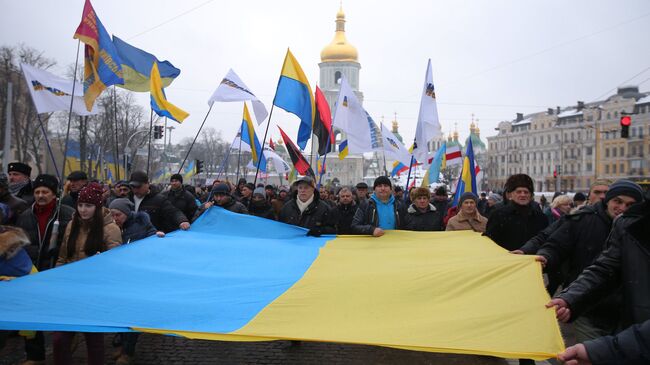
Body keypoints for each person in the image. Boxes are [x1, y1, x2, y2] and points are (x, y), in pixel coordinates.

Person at [548, 190, 650, 364]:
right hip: (616, 326)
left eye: (629, 204)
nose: (622, 208)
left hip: (628, 334)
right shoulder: (629, 223)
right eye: (617, 201)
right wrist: (569, 298)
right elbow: (604, 269)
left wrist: (601, 351)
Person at [53, 182, 121, 365]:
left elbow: (116, 265)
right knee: (59, 339)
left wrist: (103, 263)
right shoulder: (71, 225)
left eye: (88, 206)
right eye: (81, 205)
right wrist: (58, 281)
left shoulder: (110, 229)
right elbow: (62, 257)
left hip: (93, 293)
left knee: (94, 341)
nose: (83, 210)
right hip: (69, 290)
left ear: (97, 207)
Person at [108, 198, 161, 364]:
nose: (115, 218)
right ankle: (120, 344)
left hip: (137, 278)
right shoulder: (110, 228)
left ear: (126, 213)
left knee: (132, 316)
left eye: (118, 215)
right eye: (112, 215)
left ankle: (127, 351)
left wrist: (157, 237)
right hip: (118, 279)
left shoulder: (141, 224)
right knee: (118, 314)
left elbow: (152, 240)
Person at [484, 174, 548, 252]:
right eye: (519, 192)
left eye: (526, 192)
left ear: (531, 195)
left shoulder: (541, 218)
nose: (523, 195)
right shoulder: (498, 215)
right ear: (511, 194)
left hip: (533, 261)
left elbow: (545, 242)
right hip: (507, 261)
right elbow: (490, 242)